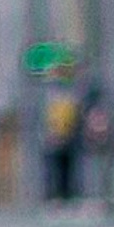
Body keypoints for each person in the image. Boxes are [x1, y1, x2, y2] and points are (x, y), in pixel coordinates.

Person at [39, 56, 85, 205]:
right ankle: (53, 196)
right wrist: (50, 133)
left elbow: (74, 112)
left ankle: (67, 196)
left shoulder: (71, 91)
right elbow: (47, 115)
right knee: (54, 167)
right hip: (53, 136)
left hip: (68, 135)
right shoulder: (50, 92)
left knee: (68, 167)